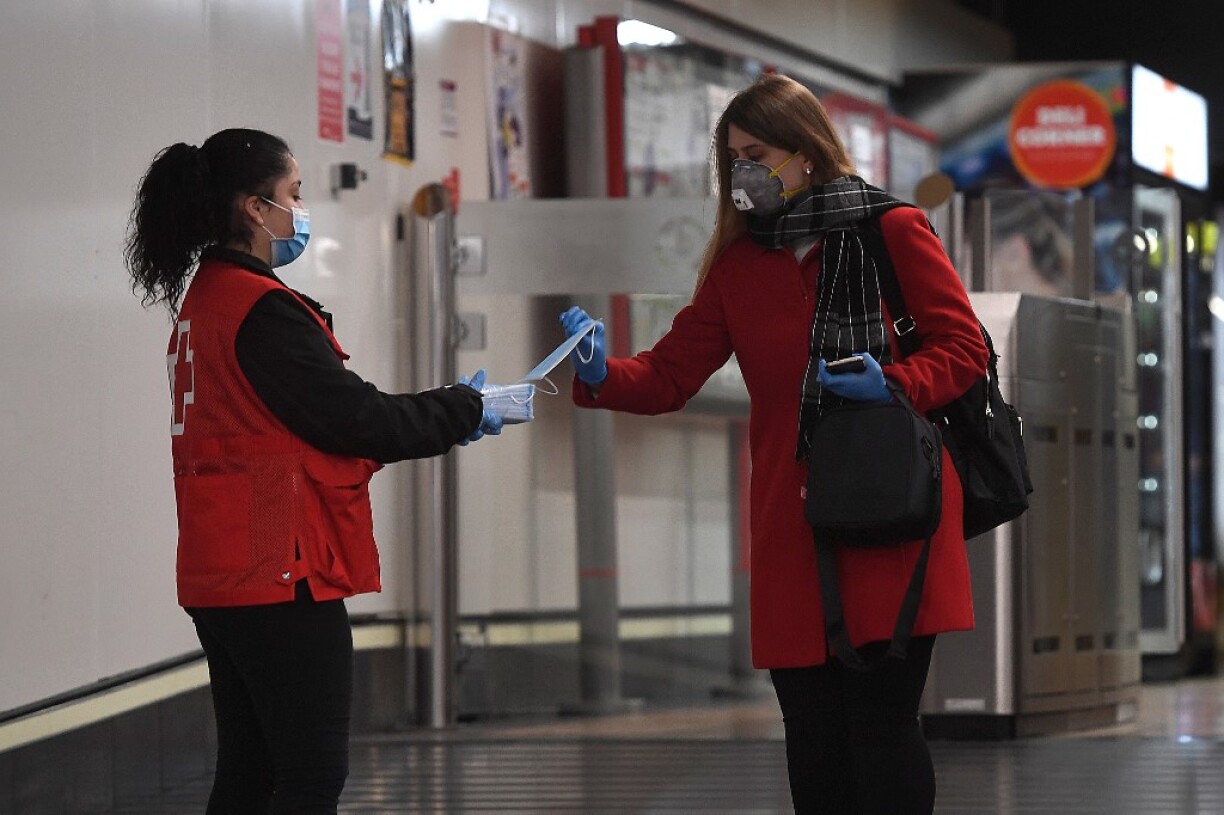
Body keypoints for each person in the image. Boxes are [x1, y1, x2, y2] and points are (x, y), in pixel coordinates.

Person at [560, 74, 988, 815]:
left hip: (891, 513)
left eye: (758, 154)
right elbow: (669, 374)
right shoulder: (740, 265)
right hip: (793, 526)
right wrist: (602, 371)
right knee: (813, 735)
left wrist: (892, 382)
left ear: (807, 151)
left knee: (881, 728)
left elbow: (963, 347)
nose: (745, 175)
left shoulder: (891, 230)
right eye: (734, 161)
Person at [124, 127, 502, 814]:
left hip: (221, 568)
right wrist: (462, 408)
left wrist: (457, 412)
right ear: (254, 208)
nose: (301, 211)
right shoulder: (260, 310)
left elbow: (294, 432)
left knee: (249, 772)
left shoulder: (206, 301)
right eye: (293, 194)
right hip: (279, 568)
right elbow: (358, 419)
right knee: (307, 775)